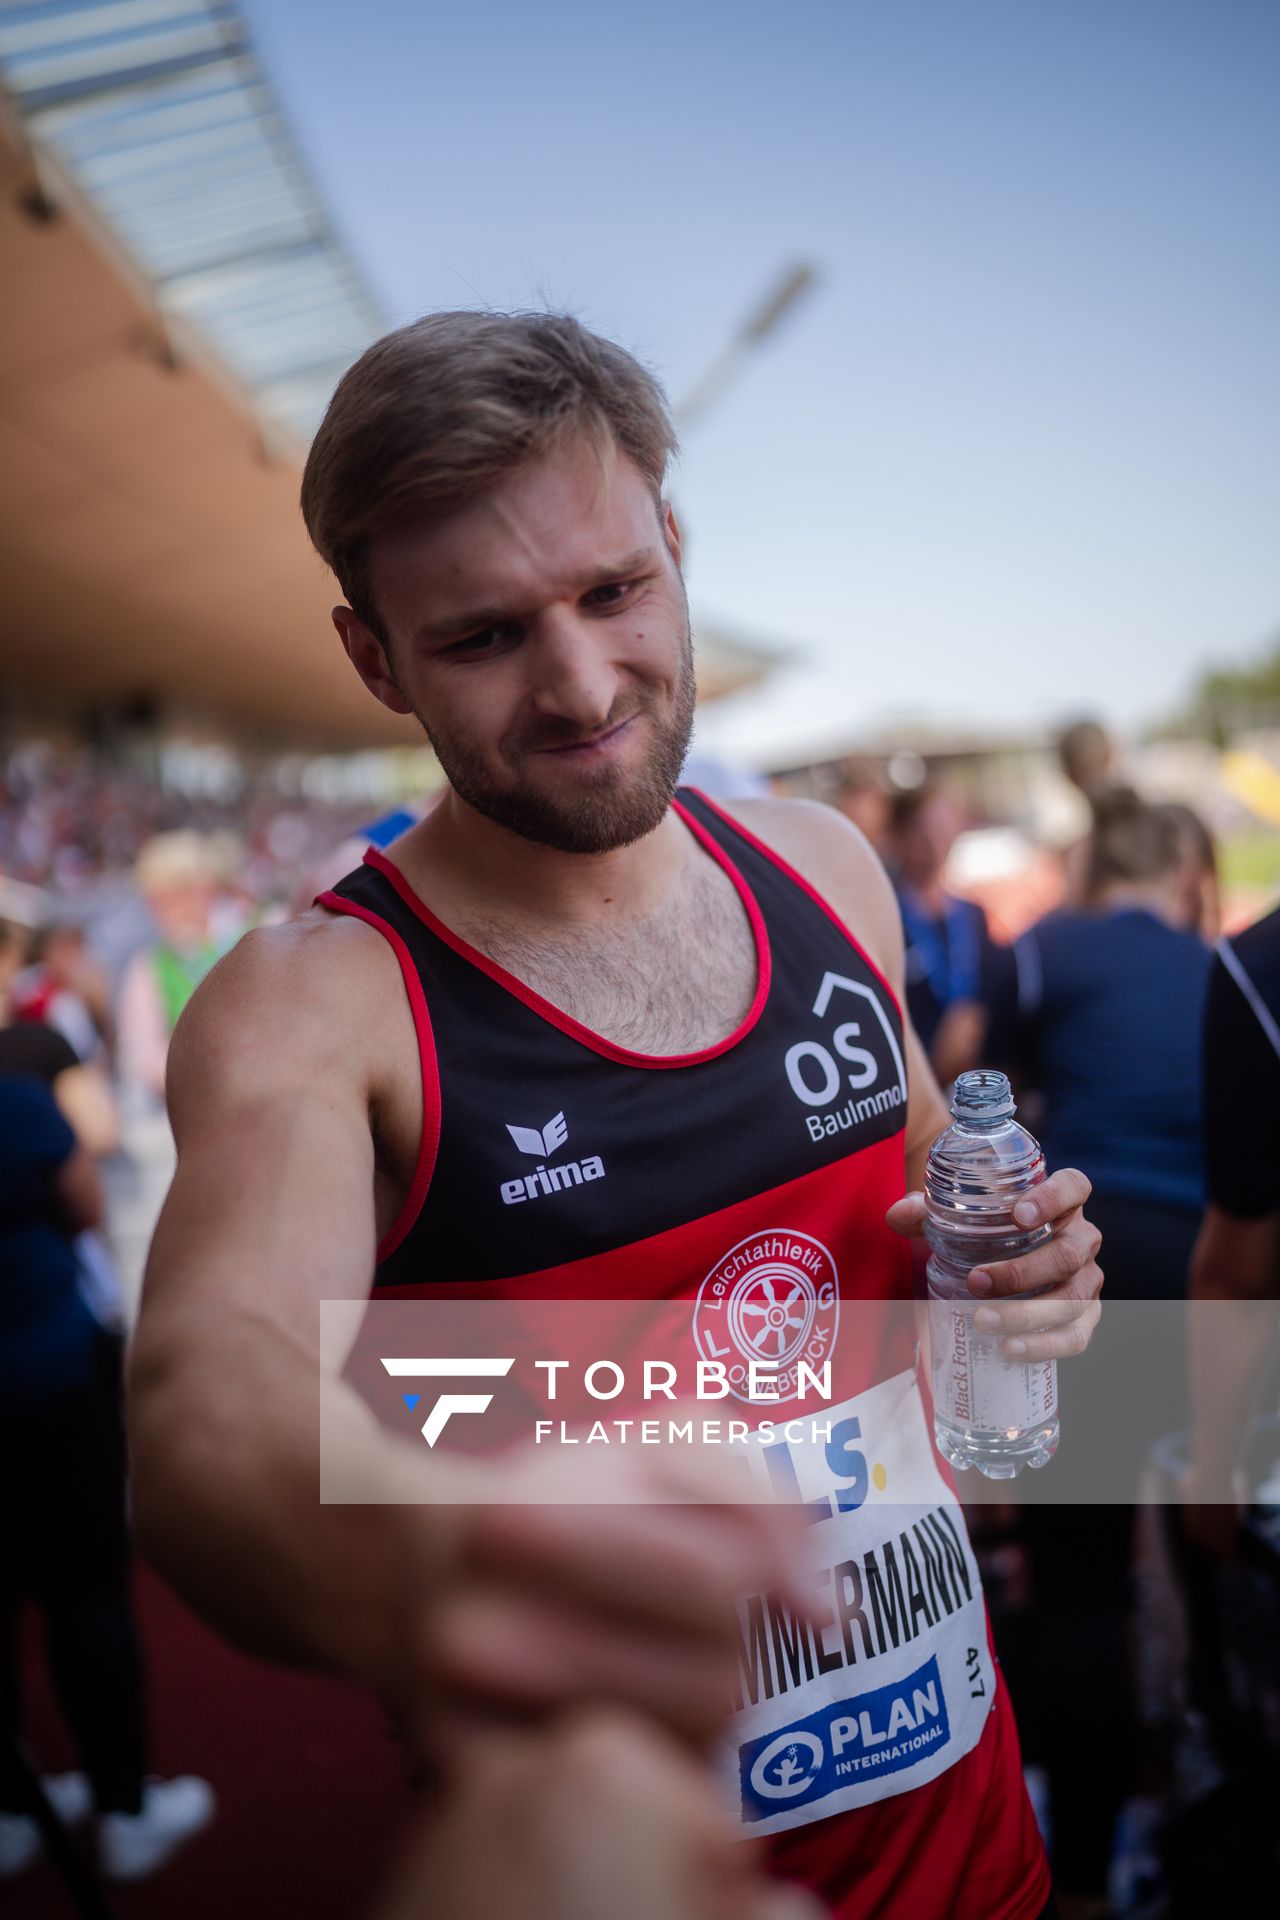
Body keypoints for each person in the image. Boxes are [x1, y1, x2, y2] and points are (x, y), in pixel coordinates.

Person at [129, 311, 1103, 1920]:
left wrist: (1021, 1267)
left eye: (614, 591)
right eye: (485, 638)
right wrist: (445, 1555)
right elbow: (199, 1408)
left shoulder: (827, 871)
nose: (583, 686)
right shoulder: (319, 1000)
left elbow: (937, 1205)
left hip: (985, 1850)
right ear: (374, 659)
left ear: (676, 540)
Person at [0, 1072, 213, 1883]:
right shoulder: (14, 1101)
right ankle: (125, 1807)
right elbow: (84, 1206)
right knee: (87, 1593)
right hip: (46, 1382)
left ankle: (12, 1811)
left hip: (40, 1372)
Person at [884, 782, 1006, 1085]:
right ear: (898, 837)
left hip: (981, 1083)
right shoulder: (887, 919)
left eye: (942, 826)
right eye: (921, 829)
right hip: (919, 1084)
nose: (933, 841)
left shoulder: (972, 913)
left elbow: (995, 990)